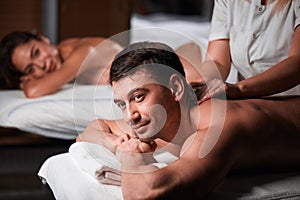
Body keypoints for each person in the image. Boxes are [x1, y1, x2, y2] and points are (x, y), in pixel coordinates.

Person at [77, 41, 300, 199]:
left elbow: (146, 193)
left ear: (175, 88)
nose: (130, 116)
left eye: (138, 97)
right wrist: (113, 143)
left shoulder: (219, 125)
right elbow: (90, 131)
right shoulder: (158, 119)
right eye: (122, 104)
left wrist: (130, 154)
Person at [0, 31, 202, 98]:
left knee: (200, 84)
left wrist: (28, 82)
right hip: (162, 59)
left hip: (176, 59)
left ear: (44, 40)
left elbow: (35, 91)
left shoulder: (82, 52)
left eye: (36, 52)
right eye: (31, 69)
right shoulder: (66, 57)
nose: (42, 65)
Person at [194, 0, 300, 102]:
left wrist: (239, 89)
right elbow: (217, 61)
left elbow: (297, 63)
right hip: (246, 98)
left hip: (291, 98)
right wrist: (202, 85)